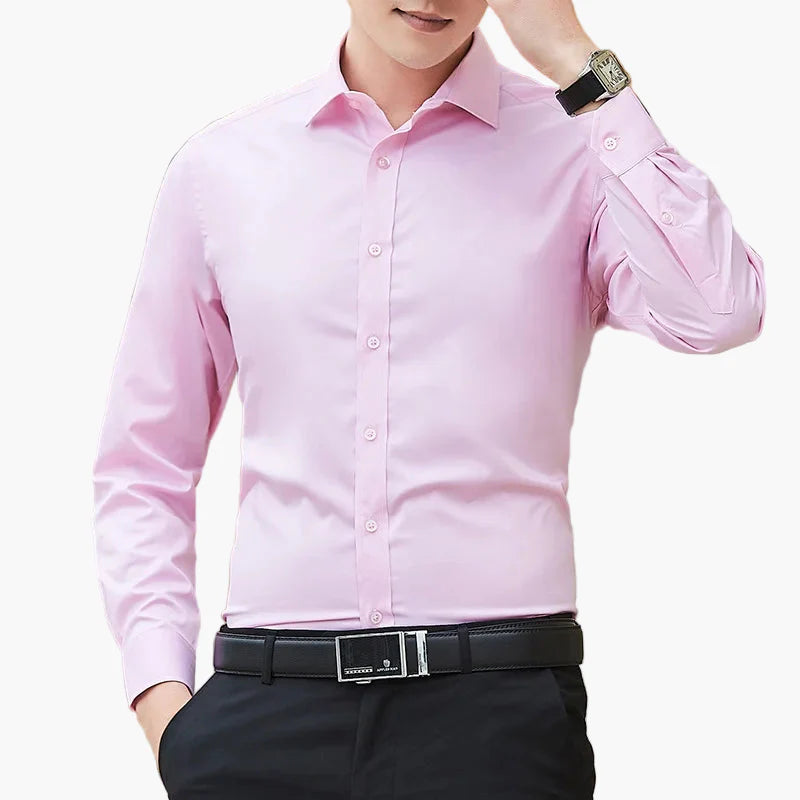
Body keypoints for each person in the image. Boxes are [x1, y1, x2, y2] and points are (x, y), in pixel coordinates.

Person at [91, 2, 766, 798]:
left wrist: (580, 63)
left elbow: (718, 314)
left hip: (496, 718)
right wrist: (165, 707)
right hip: (262, 716)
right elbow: (143, 464)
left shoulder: (581, 148)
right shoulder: (221, 170)